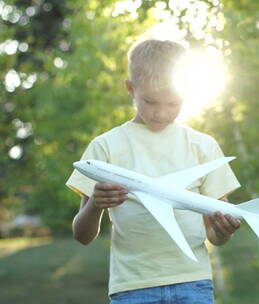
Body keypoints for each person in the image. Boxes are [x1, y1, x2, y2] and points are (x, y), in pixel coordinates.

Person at [65, 38, 241, 304]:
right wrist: (95, 206)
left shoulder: (202, 146)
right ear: (130, 89)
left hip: (192, 284)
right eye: (150, 101)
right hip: (132, 287)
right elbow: (82, 235)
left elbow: (215, 237)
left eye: (173, 103)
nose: (161, 113)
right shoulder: (105, 147)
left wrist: (224, 230)